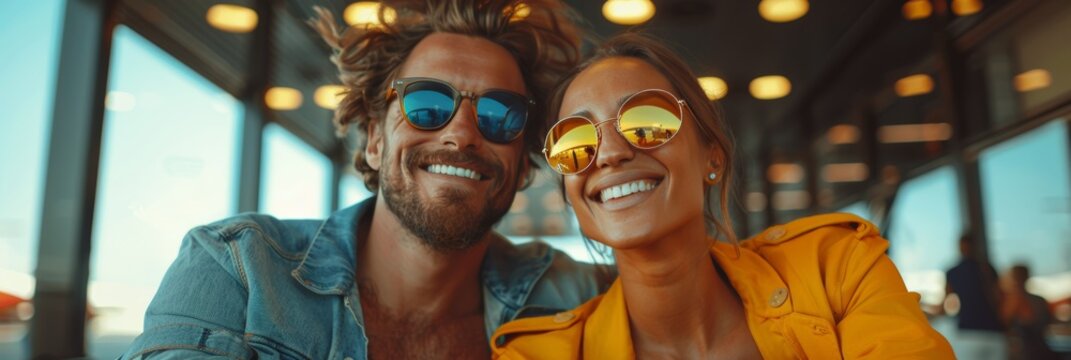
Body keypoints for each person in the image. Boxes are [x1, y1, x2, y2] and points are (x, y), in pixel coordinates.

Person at [120, 1, 607, 359]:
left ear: (524, 162)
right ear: (374, 139)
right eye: (427, 104)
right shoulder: (238, 271)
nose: (461, 134)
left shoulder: (579, 296)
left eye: (501, 114)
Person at [491, 33, 955, 359]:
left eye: (646, 120)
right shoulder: (539, 355)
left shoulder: (836, 269)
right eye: (575, 142)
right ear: (571, 192)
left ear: (711, 156)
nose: (609, 153)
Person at [946, 233, 1007, 359]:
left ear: (960, 247)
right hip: (994, 330)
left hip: (967, 332)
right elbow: (999, 298)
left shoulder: (953, 272)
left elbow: (946, 303)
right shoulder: (987, 268)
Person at [1002, 264, 1058, 360]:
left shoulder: (1013, 301)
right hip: (1034, 350)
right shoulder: (1038, 300)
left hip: (1029, 351)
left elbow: (1034, 324)